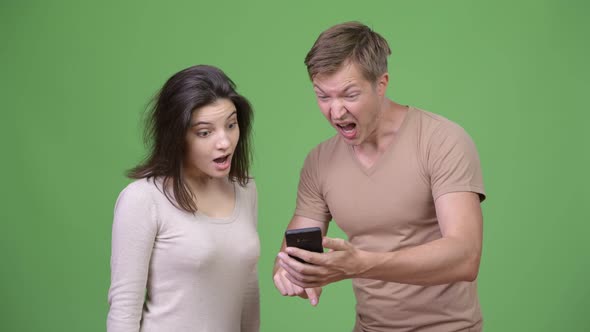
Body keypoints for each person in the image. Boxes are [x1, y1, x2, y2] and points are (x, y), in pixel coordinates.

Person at [273, 21, 486, 332]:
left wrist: (359, 264)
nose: (336, 111)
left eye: (349, 94)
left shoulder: (441, 140)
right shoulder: (319, 162)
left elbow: (465, 256)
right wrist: (294, 273)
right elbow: (293, 251)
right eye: (323, 96)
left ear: (381, 83)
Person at [107, 65, 259, 332]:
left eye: (231, 125)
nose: (224, 141)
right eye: (205, 132)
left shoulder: (245, 189)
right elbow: (124, 307)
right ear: (177, 137)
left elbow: (246, 283)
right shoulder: (142, 199)